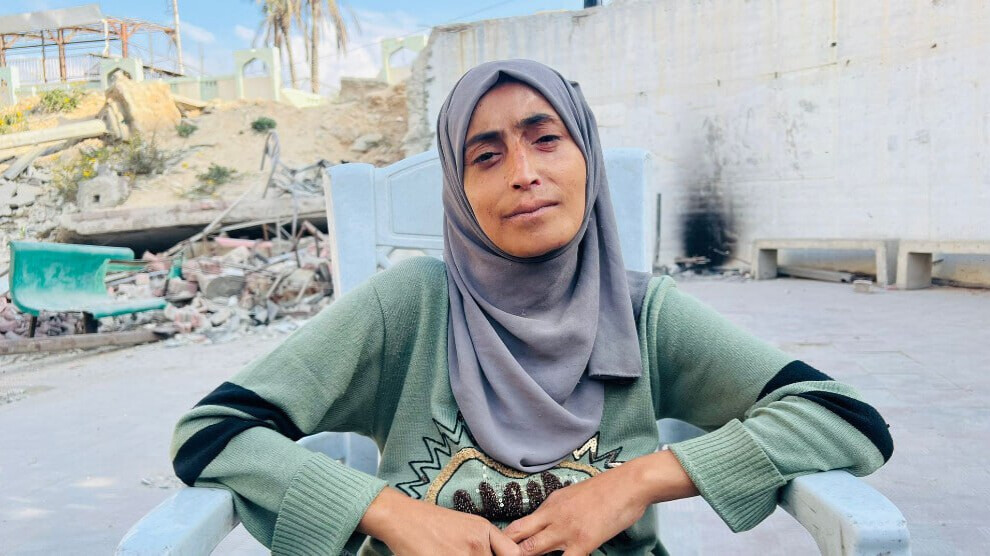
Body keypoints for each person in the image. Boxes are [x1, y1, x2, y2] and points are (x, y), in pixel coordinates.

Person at [171, 59, 893, 555]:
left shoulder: (644, 315)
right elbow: (214, 433)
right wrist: (389, 513)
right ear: (458, 191)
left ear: (587, 162)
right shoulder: (409, 307)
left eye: (547, 140)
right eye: (485, 156)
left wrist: (637, 482)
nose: (524, 174)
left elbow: (843, 418)